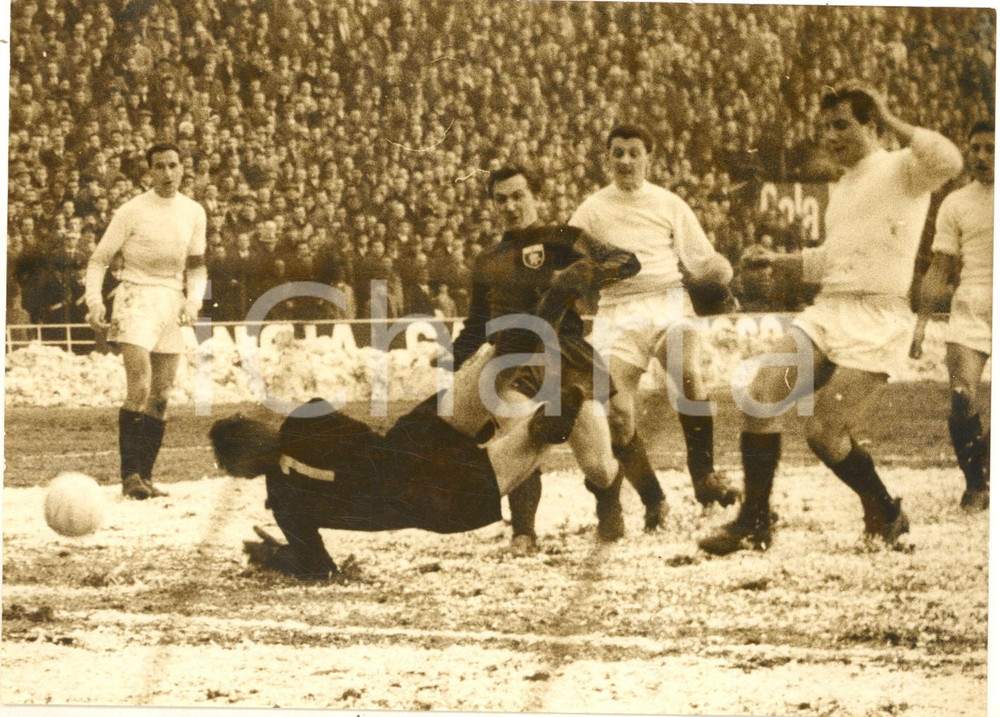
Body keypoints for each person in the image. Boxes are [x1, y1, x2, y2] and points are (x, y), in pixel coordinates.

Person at [699, 85, 963, 555]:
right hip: (830, 312)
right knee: (760, 394)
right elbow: (831, 261)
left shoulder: (904, 169)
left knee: (824, 433)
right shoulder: (842, 187)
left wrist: (891, 112)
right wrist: (777, 261)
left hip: (878, 318)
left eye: (841, 124)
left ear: (872, 125)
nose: (830, 136)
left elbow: (950, 162)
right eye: (825, 128)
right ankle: (755, 522)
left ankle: (885, 508)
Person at [209, 286, 603, 580]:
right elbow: (360, 437)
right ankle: (542, 312)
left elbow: (318, 568)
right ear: (256, 427)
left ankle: (543, 424)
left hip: (430, 502)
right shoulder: (306, 416)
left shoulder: (283, 503)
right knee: (495, 367)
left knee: (533, 438)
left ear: (243, 471)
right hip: (412, 441)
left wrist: (276, 556)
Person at [451, 166, 640, 550]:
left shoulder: (563, 238)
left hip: (564, 352)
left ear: (535, 196)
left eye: (518, 196)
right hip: (511, 359)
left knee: (599, 465)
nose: (510, 206)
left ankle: (609, 501)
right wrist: (456, 362)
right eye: (500, 199)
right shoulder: (488, 259)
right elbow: (477, 321)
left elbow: (628, 262)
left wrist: (584, 276)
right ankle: (524, 531)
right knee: (520, 432)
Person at [568, 124, 741, 539]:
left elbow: (705, 261)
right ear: (606, 159)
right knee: (618, 416)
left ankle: (704, 476)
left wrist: (721, 276)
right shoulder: (591, 210)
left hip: (667, 302)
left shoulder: (669, 204)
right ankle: (653, 499)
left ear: (649, 157)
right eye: (618, 153)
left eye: (634, 152)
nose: (626, 160)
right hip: (617, 312)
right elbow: (568, 261)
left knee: (686, 368)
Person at [85, 142, 208, 499]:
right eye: (159, 166)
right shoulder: (131, 211)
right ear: (148, 172)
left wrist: (194, 299)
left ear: (183, 169)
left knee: (162, 396)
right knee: (139, 386)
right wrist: (95, 302)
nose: (167, 173)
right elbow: (99, 260)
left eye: (173, 165)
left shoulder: (194, 212)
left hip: (171, 300)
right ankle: (129, 476)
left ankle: (147, 478)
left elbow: (197, 265)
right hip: (135, 296)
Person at [915, 120, 993, 512]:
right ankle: (976, 485)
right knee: (962, 396)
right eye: (975, 148)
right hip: (972, 306)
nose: (981, 157)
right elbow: (940, 269)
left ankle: (987, 461)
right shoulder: (956, 203)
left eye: (990, 149)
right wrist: (921, 323)